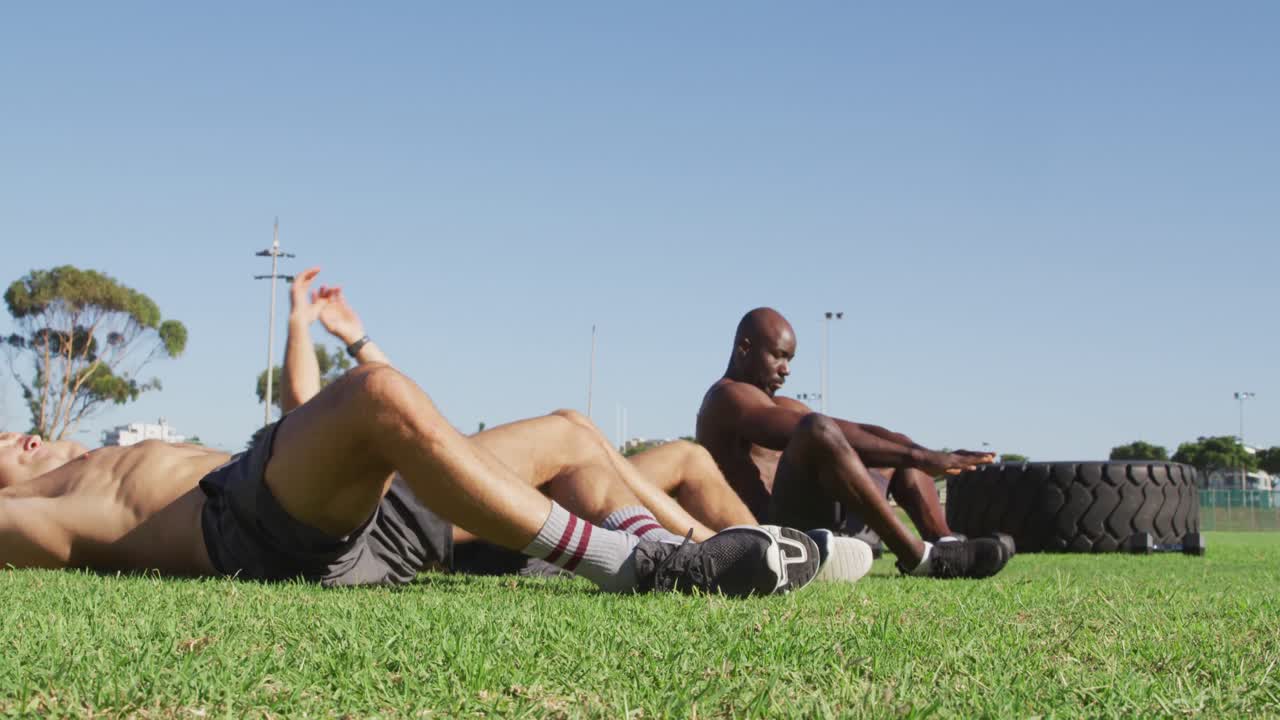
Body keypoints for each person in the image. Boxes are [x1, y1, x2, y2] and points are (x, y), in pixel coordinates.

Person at [0, 303, 829, 598]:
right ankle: (637, 564)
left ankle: (720, 558)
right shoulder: (45, 508)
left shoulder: (66, 451)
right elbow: (308, 411)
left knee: (573, 431)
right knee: (378, 396)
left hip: (300, 497)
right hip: (245, 529)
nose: (12, 436)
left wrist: (306, 322)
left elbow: (296, 416)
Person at [279, 268, 872, 582]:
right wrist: (300, 323)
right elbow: (308, 406)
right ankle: (715, 553)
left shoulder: (389, 422)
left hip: (479, 480)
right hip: (467, 514)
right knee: (572, 427)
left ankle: (772, 554)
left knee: (685, 457)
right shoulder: (320, 462)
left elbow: (395, 405)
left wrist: (355, 336)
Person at [696, 307, 1013, 579]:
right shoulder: (726, 398)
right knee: (817, 430)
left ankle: (944, 543)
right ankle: (920, 558)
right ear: (744, 349)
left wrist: (917, 453)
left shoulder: (779, 403)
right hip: (770, 529)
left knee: (889, 449)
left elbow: (851, 431)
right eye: (778, 356)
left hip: (815, 519)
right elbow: (810, 431)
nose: (786, 369)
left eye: (790, 359)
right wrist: (920, 455)